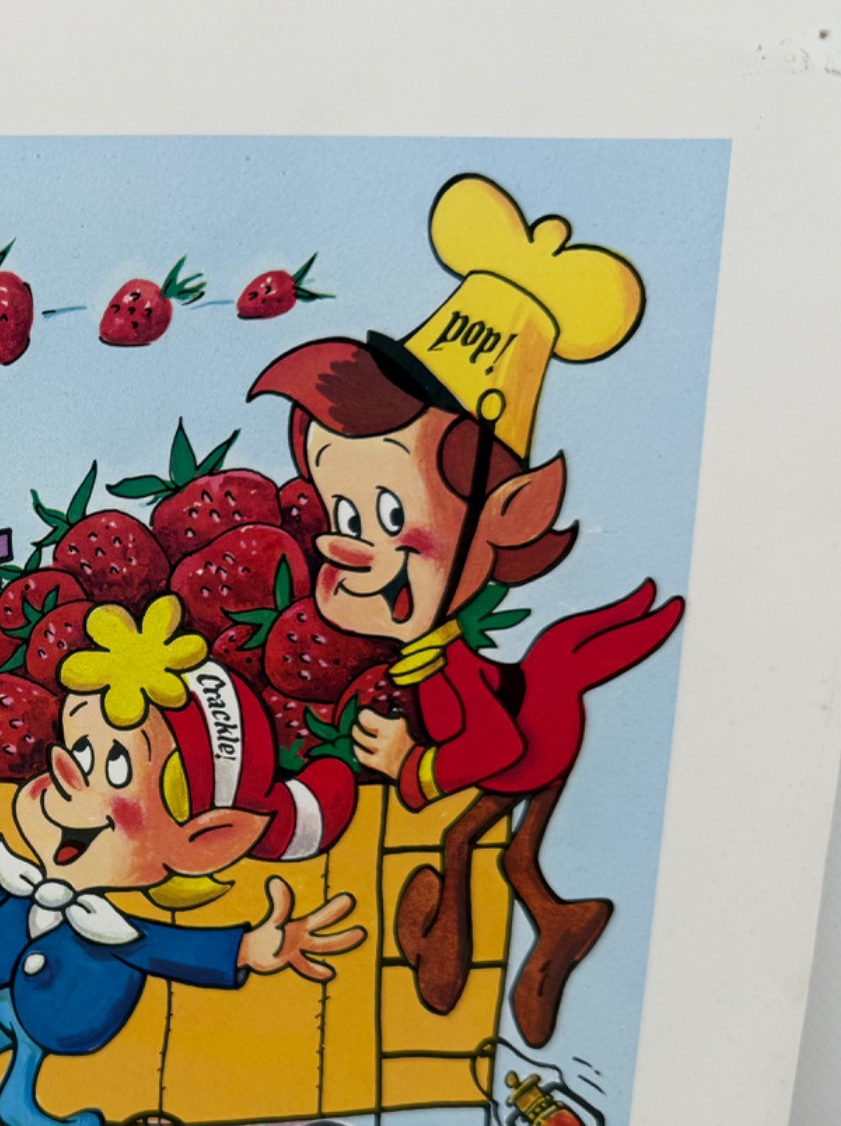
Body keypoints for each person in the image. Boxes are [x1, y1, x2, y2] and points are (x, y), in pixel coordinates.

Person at [248, 173, 681, 1047]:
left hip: (531, 740)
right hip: (532, 726)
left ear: (511, 518)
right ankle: (548, 925)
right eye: (340, 511)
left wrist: (412, 763)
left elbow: (494, 746)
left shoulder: (441, 665)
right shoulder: (420, 658)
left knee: (462, 844)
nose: (344, 541)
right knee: (502, 850)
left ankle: (471, 954)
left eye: (386, 514)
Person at [0, 596, 362, 1126]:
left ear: (204, 841)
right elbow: (10, 892)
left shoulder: (114, 925)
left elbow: (165, 946)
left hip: (63, 1002)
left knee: (13, 1094)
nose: (66, 772)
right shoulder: (41, 870)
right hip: (12, 987)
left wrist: (247, 948)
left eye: (117, 765)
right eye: (78, 747)